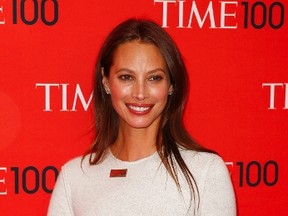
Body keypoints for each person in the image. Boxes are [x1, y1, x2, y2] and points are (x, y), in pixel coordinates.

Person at [47, 18, 236, 216]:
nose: (140, 93)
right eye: (126, 77)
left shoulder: (205, 171)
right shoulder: (75, 177)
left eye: (154, 78)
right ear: (106, 81)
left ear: (171, 85)